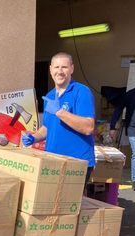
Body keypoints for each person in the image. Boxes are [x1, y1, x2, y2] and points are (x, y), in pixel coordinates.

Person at [21, 52, 96, 183]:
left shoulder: (81, 91)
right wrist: (34, 137)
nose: (60, 71)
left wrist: (60, 112)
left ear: (72, 69)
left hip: (76, 162)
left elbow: (88, 127)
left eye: (64, 67)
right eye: (56, 67)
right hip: (52, 161)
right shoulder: (49, 96)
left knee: (69, 203)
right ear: (50, 69)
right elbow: (47, 127)